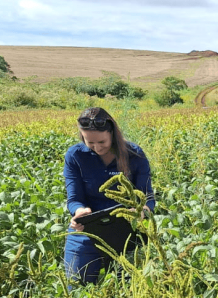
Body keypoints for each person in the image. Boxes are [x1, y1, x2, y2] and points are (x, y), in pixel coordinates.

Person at [63, 107, 155, 284]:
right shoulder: (75, 156)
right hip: (87, 230)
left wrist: (142, 211)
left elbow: (147, 197)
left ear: (112, 133)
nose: (97, 147)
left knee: (127, 289)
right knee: (77, 286)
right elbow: (74, 199)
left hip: (127, 231)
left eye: (102, 142)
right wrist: (79, 211)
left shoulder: (134, 154)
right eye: (90, 142)